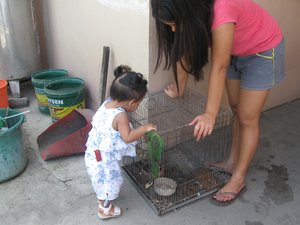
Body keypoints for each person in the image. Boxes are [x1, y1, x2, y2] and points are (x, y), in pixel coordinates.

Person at [151, 0, 285, 206]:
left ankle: (238, 179)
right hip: (234, 51)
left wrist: (210, 114)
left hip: (262, 51)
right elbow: (184, 52)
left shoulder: (222, 10)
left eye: (174, 24)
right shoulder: (192, 15)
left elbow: (219, 67)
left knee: (247, 117)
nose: (173, 29)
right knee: (237, 108)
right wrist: (179, 89)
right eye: (169, 25)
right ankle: (232, 163)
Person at [85, 65, 157, 219]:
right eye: (139, 103)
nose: (138, 106)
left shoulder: (107, 103)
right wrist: (145, 128)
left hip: (94, 153)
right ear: (131, 103)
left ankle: (102, 197)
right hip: (104, 160)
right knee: (112, 181)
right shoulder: (121, 116)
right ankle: (104, 209)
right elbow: (128, 136)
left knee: (102, 181)